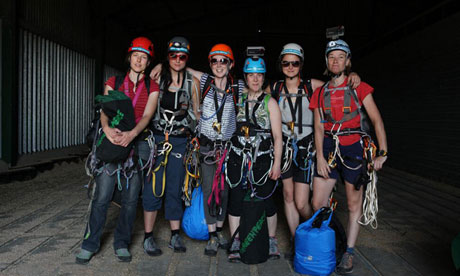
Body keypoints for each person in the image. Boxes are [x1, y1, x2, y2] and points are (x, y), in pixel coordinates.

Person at [272, 43, 361, 259]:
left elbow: (338, 85)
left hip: (305, 147)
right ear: (281, 65)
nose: (290, 66)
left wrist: (352, 75)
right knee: (287, 194)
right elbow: (251, 91)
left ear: (301, 64)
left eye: (295, 63)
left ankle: (319, 230)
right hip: (285, 148)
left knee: (302, 202)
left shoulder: (312, 86)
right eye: (286, 63)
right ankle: (298, 242)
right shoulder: (275, 88)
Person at [76, 37, 159, 264]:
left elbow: (147, 115)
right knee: (102, 195)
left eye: (144, 57)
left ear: (148, 61)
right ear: (129, 57)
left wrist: (132, 135)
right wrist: (107, 129)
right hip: (112, 138)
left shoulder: (152, 86)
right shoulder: (115, 81)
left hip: (138, 142)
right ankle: (89, 243)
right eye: (136, 55)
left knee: (131, 198)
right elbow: (105, 109)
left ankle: (122, 243)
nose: (139, 60)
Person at [309, 39, 387, 274]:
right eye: (332, 57)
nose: (336, 61)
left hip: (353, 148)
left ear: (348, 61)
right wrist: (320, 158)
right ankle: (334, 241)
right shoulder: (320, 92)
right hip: (329, 149)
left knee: (354, 204)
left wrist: (382, 152)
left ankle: (349, 253)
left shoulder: (359, 87)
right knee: (317, 203)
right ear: (326, 61)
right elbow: (319, 128)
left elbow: (376, 120)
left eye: (340, 57)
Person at [142, 36, 200, 255]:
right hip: (157, 138)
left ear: (187, 58)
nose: (177, 60)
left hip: (179, 140)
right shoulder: (157, 79)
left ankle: (175, 235)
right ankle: (148, 236)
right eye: (173, 56)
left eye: (182, 56)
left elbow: (196, 112)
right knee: (153, 187)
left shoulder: (191, 82)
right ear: (167, 57)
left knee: (175, 187)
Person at [225, 57, 283, 262]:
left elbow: (278, 137)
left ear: (263, 77)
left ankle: (271, 240)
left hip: (263, 158)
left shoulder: (271, 102)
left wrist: (276, 163)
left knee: (266, 199)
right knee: (236, 199)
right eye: (251, 75)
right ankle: (236, 240)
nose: (255, 79)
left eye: (259, 75)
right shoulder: (238, 99)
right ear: (246, 77)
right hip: (239, 156)